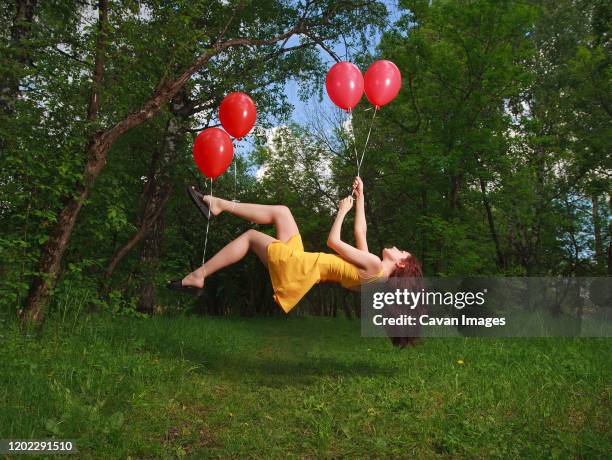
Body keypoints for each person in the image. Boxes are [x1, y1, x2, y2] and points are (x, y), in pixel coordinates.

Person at [168, 177, 422, 326]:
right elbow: (361, 233)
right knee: (282, 212)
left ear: (400, 264)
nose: (397, 248)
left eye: (402, 252)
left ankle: (199, 274)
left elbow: (333, 241)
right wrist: (362, 196)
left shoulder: (376, 267)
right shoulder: (374, 274)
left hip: (299, 266)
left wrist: (343, 210)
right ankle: (219, 204)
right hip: (303, 264)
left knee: (250, 237)